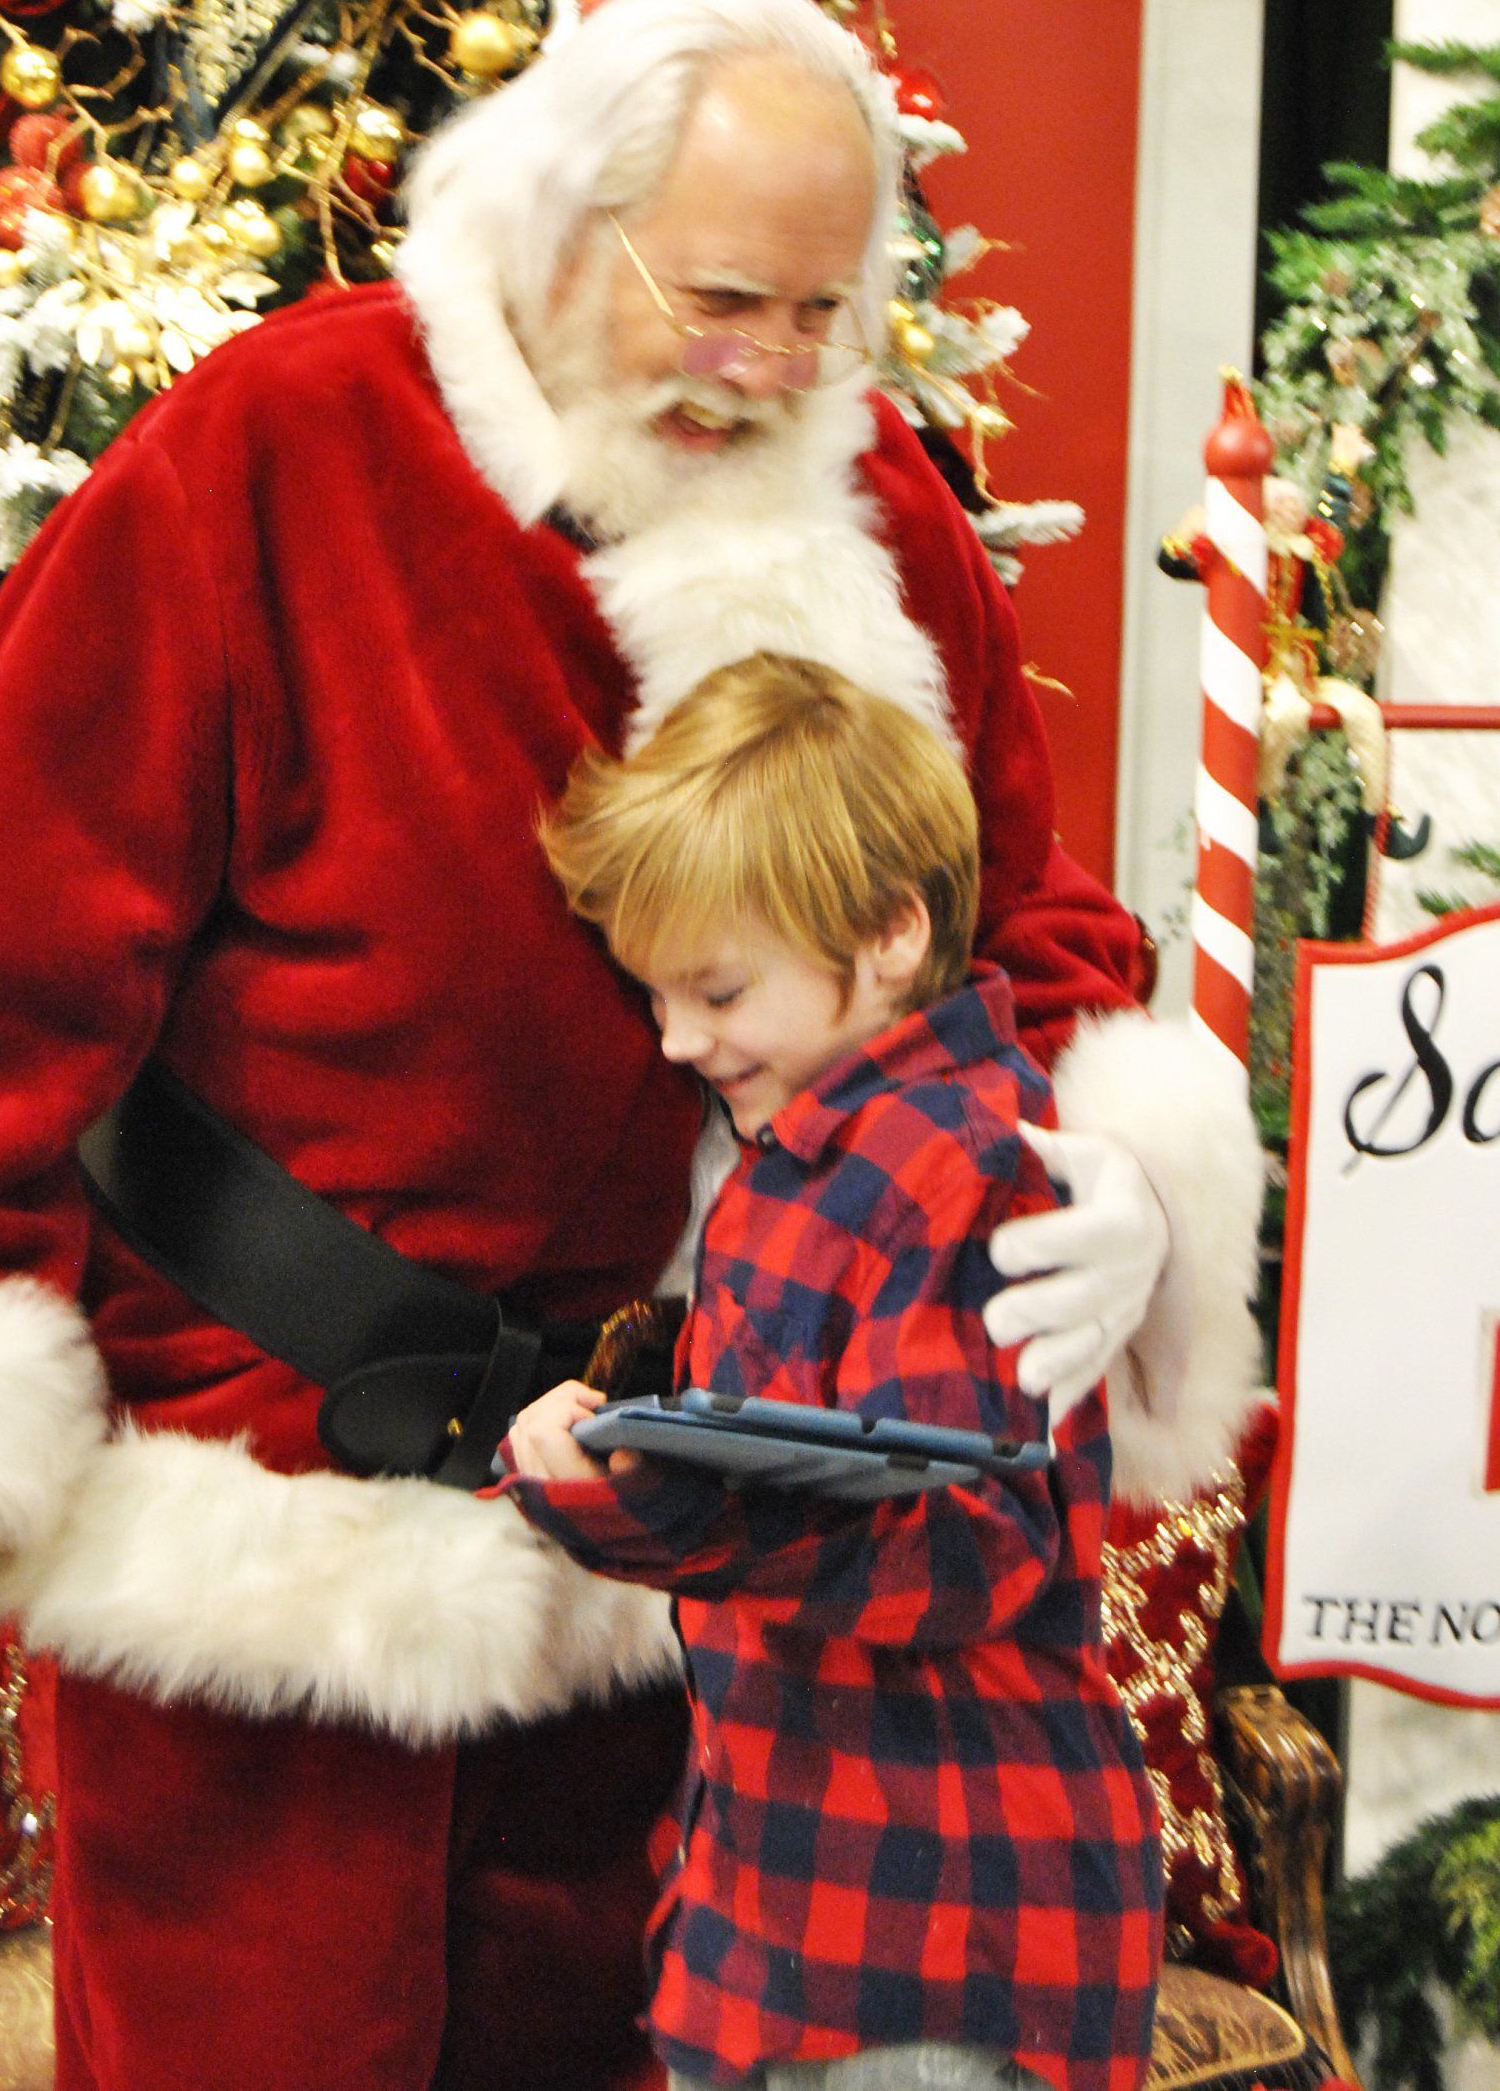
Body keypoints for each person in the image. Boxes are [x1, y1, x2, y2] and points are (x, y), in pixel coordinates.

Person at [0, 0, 1256, 2091]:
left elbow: (1010, 907)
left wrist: (1114, 1157)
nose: (772, 366)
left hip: (695, 1544)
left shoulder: (875, 508)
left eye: (822, 312)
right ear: (555, 221)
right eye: (723, 298)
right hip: (276, 1549)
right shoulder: (281, 441)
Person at [502, 651, 1163, 2091]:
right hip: (787, 1914)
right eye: (657, 995)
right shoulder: (811, 1157)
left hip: (935, 1948)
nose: (678, 1039)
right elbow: (821, 1401)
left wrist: (663, 1503)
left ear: (889, 935)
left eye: (718, 989)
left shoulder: (966, 1167)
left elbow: (971, 1544)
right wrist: (634, 1418)